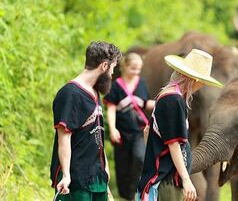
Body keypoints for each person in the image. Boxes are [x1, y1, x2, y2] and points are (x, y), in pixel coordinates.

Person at [136, 49, 223, 201]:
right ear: (193, 80)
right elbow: (174, 144)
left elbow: (147, 131)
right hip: (166, 180)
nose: (201, 87)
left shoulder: (167, 95)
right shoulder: (173, 100)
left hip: (163, 176)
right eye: (202, 82)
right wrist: (186, 180)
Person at [50, 41, 122, 200]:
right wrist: (66, 175)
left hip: (97, 178)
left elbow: (97, 135)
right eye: (112, 68)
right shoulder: (70, 94)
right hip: (75, 181)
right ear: (104, 66)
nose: (112, 74)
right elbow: (64, 137)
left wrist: (105, 169)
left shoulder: (95, 93)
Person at [103, 53, 155, 201]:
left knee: (140, 157)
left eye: (139, 69)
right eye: (133, 68)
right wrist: (113, 129)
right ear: (124, 66)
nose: (136, 72)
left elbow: (144, 104)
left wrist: (163, 103)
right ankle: (126, 195)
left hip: (139, 131)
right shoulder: (115, 85)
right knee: (123, 165)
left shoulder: (142, 83)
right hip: (122, 133)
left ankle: (136, 191)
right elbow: (111, 108)